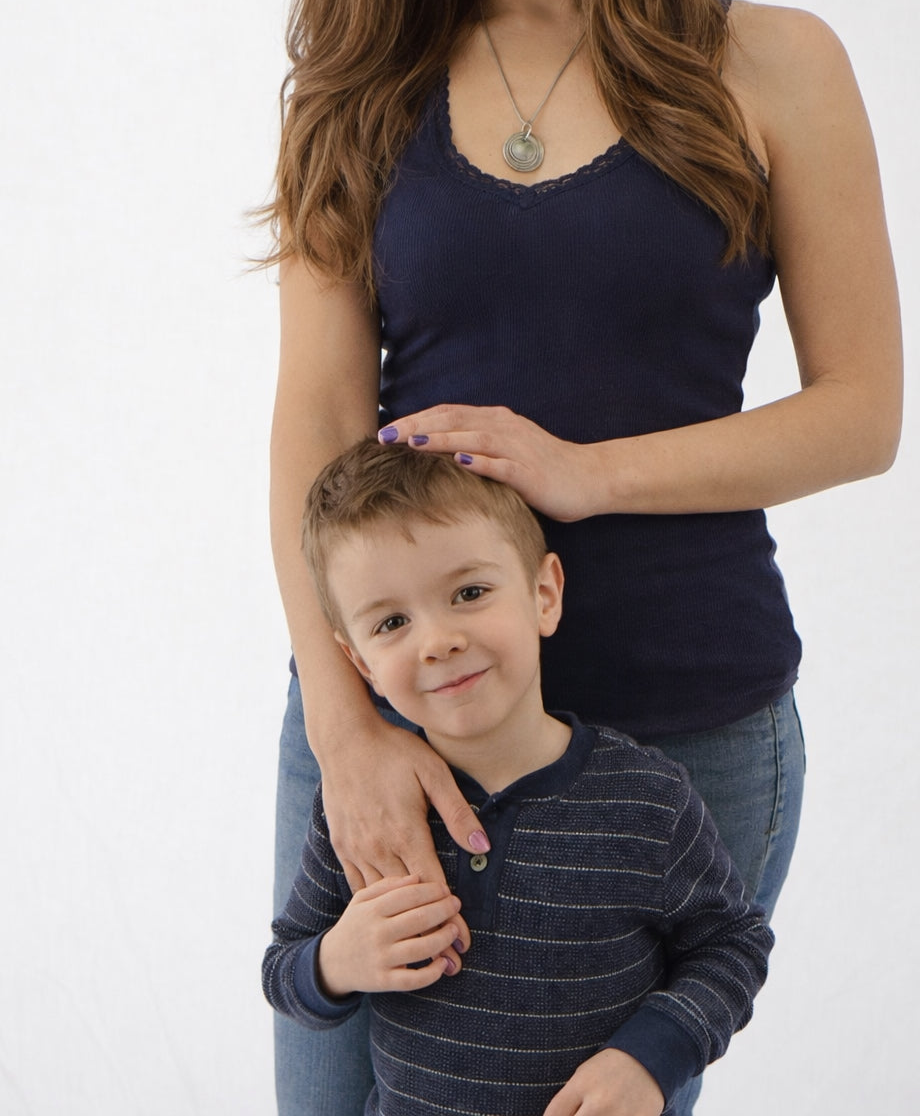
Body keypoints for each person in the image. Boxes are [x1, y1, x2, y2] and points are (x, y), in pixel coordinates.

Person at [264, 0, 902, 1116]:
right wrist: (345, 721)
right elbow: (316, 418)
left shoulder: (773, 68)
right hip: (399, 719)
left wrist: (583, 475)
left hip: (686, 719)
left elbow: (862, 415)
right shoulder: (358, 94)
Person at [264, 440, 774, 1116]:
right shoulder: (371, 813)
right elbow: (284, 968)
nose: (437, 640)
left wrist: (650, 1058)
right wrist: (334, 963)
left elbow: (732, 944)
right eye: (392, 622)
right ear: (359, 664)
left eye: (469, 592)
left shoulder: (646, 802)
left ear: (543, 593)